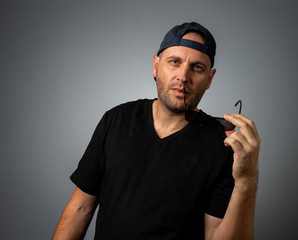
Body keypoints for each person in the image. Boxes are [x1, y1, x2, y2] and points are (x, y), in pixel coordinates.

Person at [53, 22, 260, 240]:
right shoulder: (116, 120)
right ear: (155, 66)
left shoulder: (224, 146)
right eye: (174, 62)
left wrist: (247, 180)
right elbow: (80, 209)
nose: (183, 76)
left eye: (197, 67)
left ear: (209, 79)